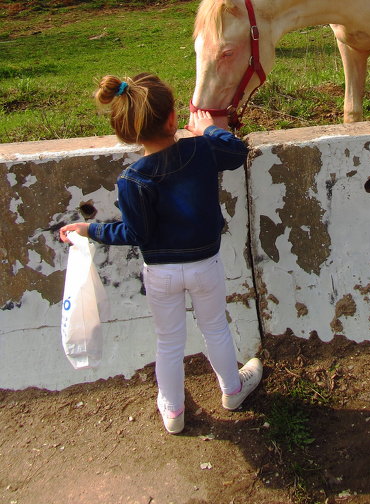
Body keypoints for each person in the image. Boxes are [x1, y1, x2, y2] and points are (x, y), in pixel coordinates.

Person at [59, 73, 262, 435]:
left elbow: (135, 233)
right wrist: (208, 129)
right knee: (215, 327)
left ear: (129, 131)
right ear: (173, 119)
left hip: (161, 274)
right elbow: (237, 151)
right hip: (206, 265)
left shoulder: (132, 179)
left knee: (169, 341)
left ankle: (173, 411)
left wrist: (90, 228)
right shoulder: (201, 151)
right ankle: (232, 389)